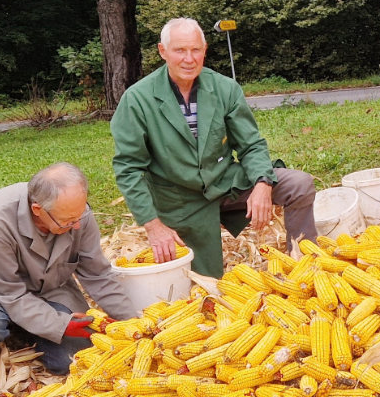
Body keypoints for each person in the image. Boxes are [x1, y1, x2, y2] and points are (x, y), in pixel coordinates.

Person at [112, 18, 317, 278]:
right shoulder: (137, 100)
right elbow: (129, 168)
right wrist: (153, 225)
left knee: (298, 184)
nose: (189, 59)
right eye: (180, 50)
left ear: (205, 49)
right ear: (163, 51)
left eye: (195, 50)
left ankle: (305, 266)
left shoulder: (224, 88)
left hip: (224, 182)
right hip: (178, 199)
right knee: (204, 282)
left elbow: (251, 144)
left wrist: (263, 183)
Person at [0, 162, 135, 374]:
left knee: (71, 361)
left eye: (80, 216)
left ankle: (24, 332)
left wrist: (133, 322)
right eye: (68, 222)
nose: (77, 225)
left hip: (49, 287)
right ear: (37, 210)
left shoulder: (76, 214)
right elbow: (7, 292)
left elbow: (97, 274)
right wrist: (58, 324)